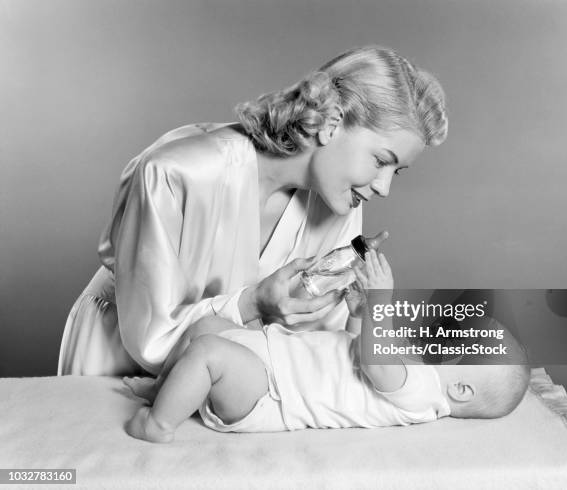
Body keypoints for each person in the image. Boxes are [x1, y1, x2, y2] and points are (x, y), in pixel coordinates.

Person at [58, 44, 449, 377]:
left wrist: (364, 317)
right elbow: (150, 339)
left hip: (225, 381)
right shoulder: (178, 173)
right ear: (331, 123)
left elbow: (324, 341)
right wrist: (252, 304)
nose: (384, 187)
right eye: (381, 160)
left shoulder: (339, 202)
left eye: (397, 171)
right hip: (119, 356)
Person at [123, 251, 530, 443]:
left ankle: (158, 425)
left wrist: (380, 305)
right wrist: (358, 313)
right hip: (272, 359)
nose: (443, 337)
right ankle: (165, 390)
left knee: (209, 352)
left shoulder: (425, 394)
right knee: (208, 326)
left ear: (461, 389)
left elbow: (378, 368)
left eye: (458, 347)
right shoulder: (414, 369)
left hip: (271, 394)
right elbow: (357, 349)